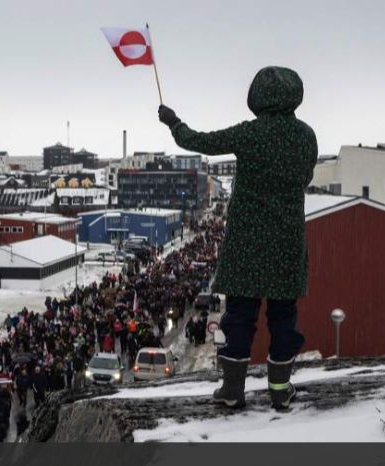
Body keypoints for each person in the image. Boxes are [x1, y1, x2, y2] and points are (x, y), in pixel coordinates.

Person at [158, 66, 317, 410]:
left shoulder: (250, 134)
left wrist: (173, 122)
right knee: (283, 317)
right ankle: (279, 388)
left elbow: (198, 141)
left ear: (257, 96)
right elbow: (305, 177)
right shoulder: (306, 136)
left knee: (240, 317)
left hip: (247, 239)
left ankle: (232, 391)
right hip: (287, 239)